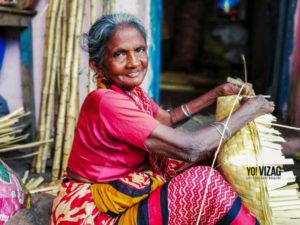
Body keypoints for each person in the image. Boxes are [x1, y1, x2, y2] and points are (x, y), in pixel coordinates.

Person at [50, 13, 274, 225]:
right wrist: (248, 111)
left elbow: (166, 120)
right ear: (97, 65)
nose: (134, 62)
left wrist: (216, 93)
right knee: (203, 181)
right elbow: (192, 148)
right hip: (94, 214)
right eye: (119, 53)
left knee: (210, 159)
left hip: (118, 195)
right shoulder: (106, 102)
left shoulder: (129, 92)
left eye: (139, 50)